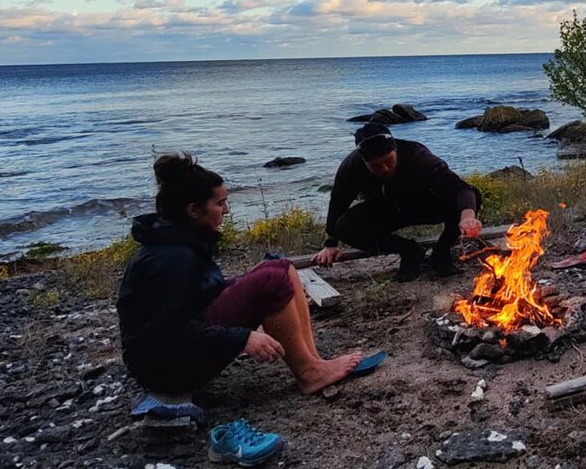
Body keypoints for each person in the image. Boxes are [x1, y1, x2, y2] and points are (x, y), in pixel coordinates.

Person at [116, 153, 364, 405]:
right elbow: (166, 331)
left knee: (281, 267)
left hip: (171, 358)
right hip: (166, 371)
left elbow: (196, 299)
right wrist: (242, 337)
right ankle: (309, 374)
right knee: (272, 279)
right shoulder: (171, 259)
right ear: (193, 210)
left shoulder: (178, 242)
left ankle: (313, 362)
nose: (226, 210)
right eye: (220, 203)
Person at [312, 123, 482, 281]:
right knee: (344, 226)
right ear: (364, 162)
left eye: (388, 160)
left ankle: (441, 252)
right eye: (376, 166)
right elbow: (338, 203)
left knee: (472, 197)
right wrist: (330, 244)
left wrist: (467, 217)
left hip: (426, 204)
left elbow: (461, 188)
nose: (385, 168)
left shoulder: (417, 156)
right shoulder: (351, 167)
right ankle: (409, 251)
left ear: (395, 150)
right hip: (387, 211)